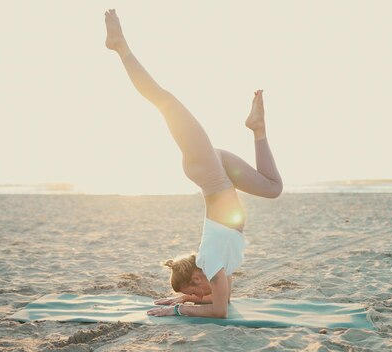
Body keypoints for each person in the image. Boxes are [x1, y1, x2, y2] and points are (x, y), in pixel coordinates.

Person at [104, 9, 282, 318]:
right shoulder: (215, 271)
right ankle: (258, 128)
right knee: (272, 188)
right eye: (192, 296)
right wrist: (181, 302)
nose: (197, 296)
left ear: (196, 279)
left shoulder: (211, 266)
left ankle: (120, 47)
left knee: (165, 101)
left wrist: (180, 309)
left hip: (209, 171)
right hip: (216, 167)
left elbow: (219, 309)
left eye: (192, 292)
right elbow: (220, 305)